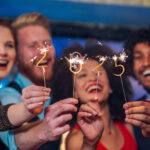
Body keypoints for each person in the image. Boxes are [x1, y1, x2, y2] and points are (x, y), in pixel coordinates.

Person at [0, 13, 78, 150]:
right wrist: (41, 127)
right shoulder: (9, 95)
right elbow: (13, 138)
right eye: (32, 46)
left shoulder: (63, 88)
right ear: (17, 56)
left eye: (47, 44)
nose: (43, 52)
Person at [50, 41, 138, 150]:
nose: (92, 78)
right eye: (83, 75)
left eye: (98, 73)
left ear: (111, 86)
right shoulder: (76, 139)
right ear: (74, 92)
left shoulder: (127, 127)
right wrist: (89, 144)